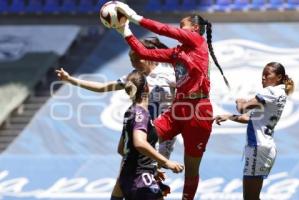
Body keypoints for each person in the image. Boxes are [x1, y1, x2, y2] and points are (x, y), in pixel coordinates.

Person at [115, 3, 229, 199]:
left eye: (182, 25)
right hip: (178, 110)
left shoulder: (197, 41)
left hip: (198, 111)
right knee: (140, 142)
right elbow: (144, 53)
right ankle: (125, 192)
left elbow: (164, 30)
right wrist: (124, 30)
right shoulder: (177, 53)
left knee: (191, 169)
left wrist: (135, 17)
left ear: (195, 28)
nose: (179, 29)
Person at [55, 37, 177, 199]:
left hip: (160, 136)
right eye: (130, 60)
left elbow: (190, 96)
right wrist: (70, 80)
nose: (133, 64)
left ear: (147, 56)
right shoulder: (135, 79)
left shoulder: (168, 74)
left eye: (135, 59)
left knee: (137, 181)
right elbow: (103, 87)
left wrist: (207, 114)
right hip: (141, 134)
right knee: (131, 181)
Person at [215, 62, 294, 200]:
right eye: (262, 75)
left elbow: (242, 108)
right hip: (265, 148)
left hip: (258, 148)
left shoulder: (270, 91)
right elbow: (249, 118)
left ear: (279, 77)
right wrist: (228, 116)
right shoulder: (280, 93)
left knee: (250, 198)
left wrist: (240, 101)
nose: (263, 78)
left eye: (267, 75)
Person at [116, 70, 184, 200]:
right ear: (147, 87)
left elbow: (121, 149)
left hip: (133, 177)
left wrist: (151, 168)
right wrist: (165, 162)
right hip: (140, 180)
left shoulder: (130, 111)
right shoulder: (141, 114)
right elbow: (139, 143)